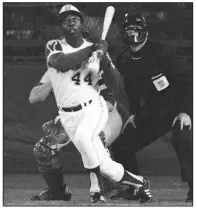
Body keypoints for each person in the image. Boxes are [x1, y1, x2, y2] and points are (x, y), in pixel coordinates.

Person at [29, 4, 152, 203]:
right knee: (104, 165)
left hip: (96, 109)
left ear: (82, 24)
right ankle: (139, 183)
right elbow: (60, 64)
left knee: (84, 136)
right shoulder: (55, 47)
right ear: (61, 25)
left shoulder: (96, 53)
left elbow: (115, 85)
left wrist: (104, 60)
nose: (71, 23)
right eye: (66, 19)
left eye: (75, 18)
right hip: (69, 115)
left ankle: (96, 189)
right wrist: (91, 50)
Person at [110, 11, 193, 202]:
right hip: (156, 110)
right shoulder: (124, 58)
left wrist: (185, 111)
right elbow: (131, 88)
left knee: (183, 138)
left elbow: (188, 81)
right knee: (122, 143)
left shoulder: (162, 52)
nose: (131, 33)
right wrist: (135, 113)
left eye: (135, 29)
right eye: (127, 29)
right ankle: (134, 187)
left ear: (144, 31)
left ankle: (194, 187)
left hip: (181, 105)